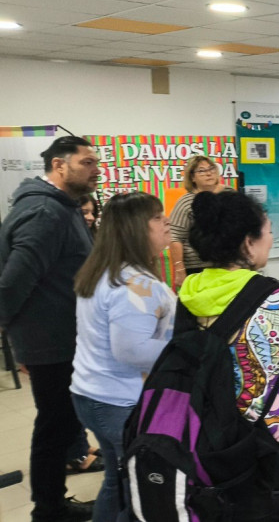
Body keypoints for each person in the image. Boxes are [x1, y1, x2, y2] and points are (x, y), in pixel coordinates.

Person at [179, 190, 279, 520]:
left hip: (203, 431)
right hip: (272, 436)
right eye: (267, 231)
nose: (271, 238)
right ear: (248, 243)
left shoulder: (185, 295)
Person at [0, 136, 99, 522]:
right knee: (54, 427)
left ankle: (53, 502)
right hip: (50, 341)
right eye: (87, 162)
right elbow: (13, 283)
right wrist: (16, 340)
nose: (96, 169)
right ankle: (49, 510)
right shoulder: (46, 212)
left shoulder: (61, 207)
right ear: (59, 165)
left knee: (59, 423)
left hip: (58, 337)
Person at [71, 192, 176, 522]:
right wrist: (185, 349)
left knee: (118, 478)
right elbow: (133, 350)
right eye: (158, 218)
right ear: (136, 228)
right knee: (137, 487)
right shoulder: (132, 284)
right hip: (117, 402)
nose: (167, 222)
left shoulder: (105, 270)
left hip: (93, 394)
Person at [168, 155, 230, 289]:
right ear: (192, 177)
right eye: (201, 171)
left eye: (211, 168)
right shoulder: (186, 202)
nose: (208, 173)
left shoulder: (229, 194)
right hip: (198, 267)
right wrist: (179, 269)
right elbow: (175, 236)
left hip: (229, 264)